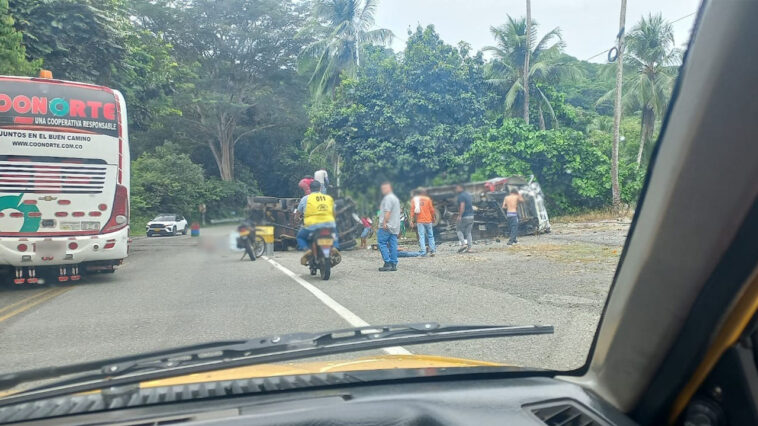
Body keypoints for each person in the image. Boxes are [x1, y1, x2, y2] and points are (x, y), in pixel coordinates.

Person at [296, 181, 338, 251]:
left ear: (310, 188)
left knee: (300, 237)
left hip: (311, 225)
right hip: (328, 224)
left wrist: (296, 219)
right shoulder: (328, 198)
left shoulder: (305, 199)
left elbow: (298, 212)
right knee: (335, 234)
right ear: (320, 188)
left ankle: (306, 249)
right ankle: (335, 247)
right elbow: (334, 212)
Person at [377, 181, 400, 271]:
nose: (382, 190)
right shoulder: (395, 198)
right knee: (393, 245)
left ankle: (387, 263)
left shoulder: (388, 198)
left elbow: (387, 211)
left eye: (384, 188)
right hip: (395, 226)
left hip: (387, 226)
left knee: (382, 243)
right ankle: (394, 264)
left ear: (389, 188)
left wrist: (384, 222)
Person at [410, 189, 436, 256]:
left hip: (420, 221)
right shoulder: (427, 199)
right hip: (428, 220)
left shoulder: (414, 200)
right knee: (430, 236)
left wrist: (411, 221)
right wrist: (433, 218)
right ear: (425, 193)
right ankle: (432, 251)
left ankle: (423, 251)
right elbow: (432, 210)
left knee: (421, 236)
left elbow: (412, 211)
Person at [455, 184, 475, 253]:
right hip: (471, 216)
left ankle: (463, 244)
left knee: (458, 229)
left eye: (457, 188)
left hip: (465, 216)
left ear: (461, 188)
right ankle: (469, 248)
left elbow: (462, 206)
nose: (456, 189)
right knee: (468, 232)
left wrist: (460, 215)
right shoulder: (468, 195)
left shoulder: (461, 196)